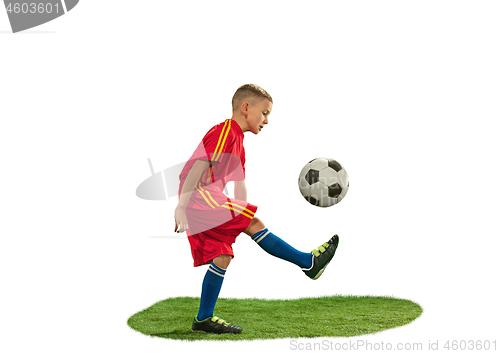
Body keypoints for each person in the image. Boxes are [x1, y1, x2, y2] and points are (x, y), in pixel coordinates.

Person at [174, 84, 339, 334]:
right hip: (198, 196)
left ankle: (203, 319)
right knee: (254, 223)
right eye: (264, 113)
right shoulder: (225, 132)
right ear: (245, 107)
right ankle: (308, 263)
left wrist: (240, 214)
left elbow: (240, 187)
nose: (267, 120)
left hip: (206, 198)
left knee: (223, 255)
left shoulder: (238, 143)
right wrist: (181, 206)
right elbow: (198, 167)